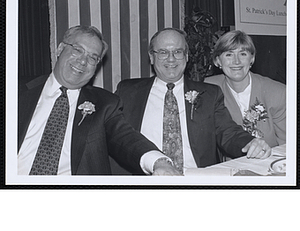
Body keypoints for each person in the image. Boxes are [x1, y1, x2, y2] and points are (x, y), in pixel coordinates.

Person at [18, 25, 180, 176]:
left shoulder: (105, 104)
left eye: (92, 57)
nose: (83, 61)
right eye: (78, 50)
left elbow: (125, 139)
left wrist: (159, 162)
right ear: (60, 49)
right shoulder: (15, 89)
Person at [114, 27, 271, 175]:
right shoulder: (128, 92)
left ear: (186, 56)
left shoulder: (208, 93)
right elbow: (116, 134)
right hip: (146, 180)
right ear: (151, 57)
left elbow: (228, 132)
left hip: (196, 180)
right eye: (163, 52)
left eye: (178, 52)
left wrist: (251, 143)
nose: (171, 59)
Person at [205, 30, 286, 147]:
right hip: (228, 164)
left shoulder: (278, 93)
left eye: (243, 54)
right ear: (218, 61)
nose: (236, 61)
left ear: (252, 59)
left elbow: (288, 146)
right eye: (229, 54)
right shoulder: (208, 89)